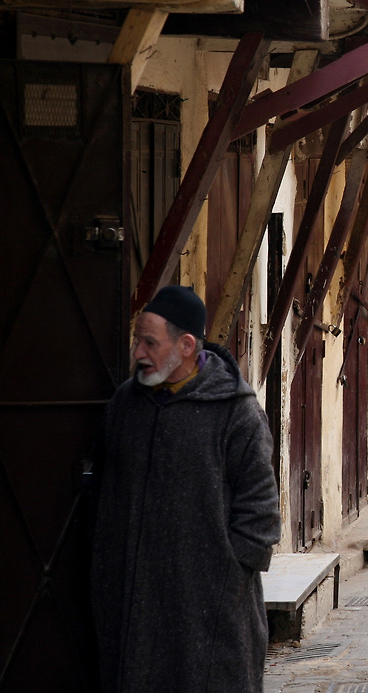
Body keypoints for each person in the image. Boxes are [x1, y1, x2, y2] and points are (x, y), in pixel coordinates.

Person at [91, 285, 280, 692]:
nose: (138, 353)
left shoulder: (236, 411)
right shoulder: (126, 404)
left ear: (187, 345)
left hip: (208, 607)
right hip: (136, 601)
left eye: (150, 343)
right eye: (137, 341)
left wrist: (224, 575)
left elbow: (261, 513)